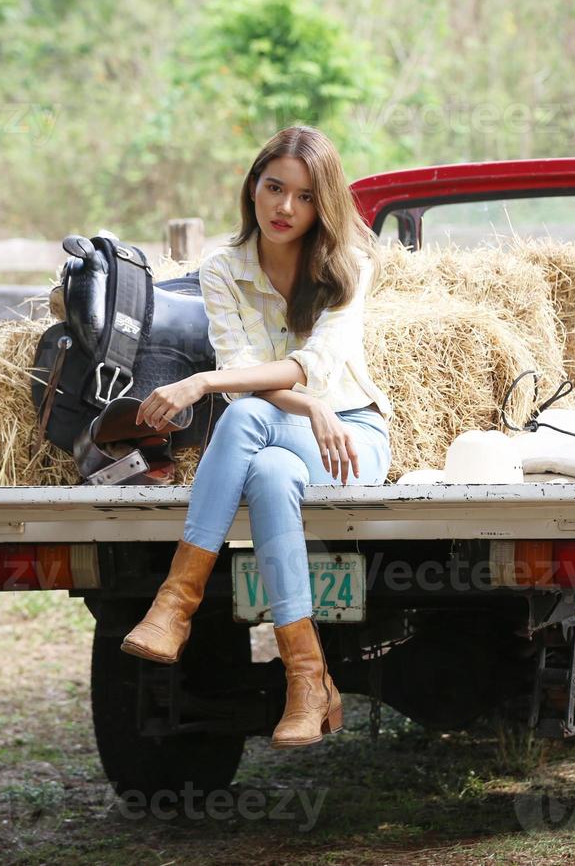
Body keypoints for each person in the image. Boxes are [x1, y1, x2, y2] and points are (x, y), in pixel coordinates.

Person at [120, 125, 394, 748]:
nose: (284, 208)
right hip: (292, 431)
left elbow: (312, 366)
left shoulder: (351, 266)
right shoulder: (223, 269)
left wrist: (202, 384)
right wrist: (303, 407)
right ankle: (307, 678)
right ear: (253, 186)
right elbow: (253, 375)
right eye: (274, 188)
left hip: (350, 438)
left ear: (322, 203)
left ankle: (175, 605)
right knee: (267, 471)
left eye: (302, 196)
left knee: (243, 417)